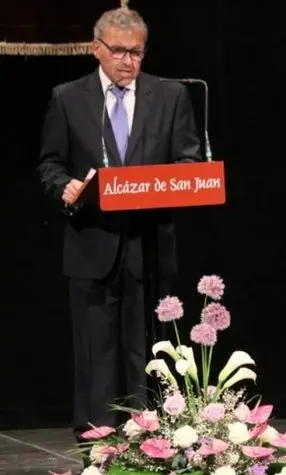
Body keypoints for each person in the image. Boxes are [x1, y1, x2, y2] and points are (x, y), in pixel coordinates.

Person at [36, 7, 202, 447]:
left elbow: (188, 161)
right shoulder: (67, 98)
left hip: (150, 245)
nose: (128, 61)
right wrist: (65, 187)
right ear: (97, 48)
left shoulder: (170, 96)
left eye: (137, 53)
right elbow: (50, 164)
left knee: (148, 351)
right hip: (92, 243)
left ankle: (155, 443)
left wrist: (163, 182)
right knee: (96, 352)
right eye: (119, 51)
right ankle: (97, 445)